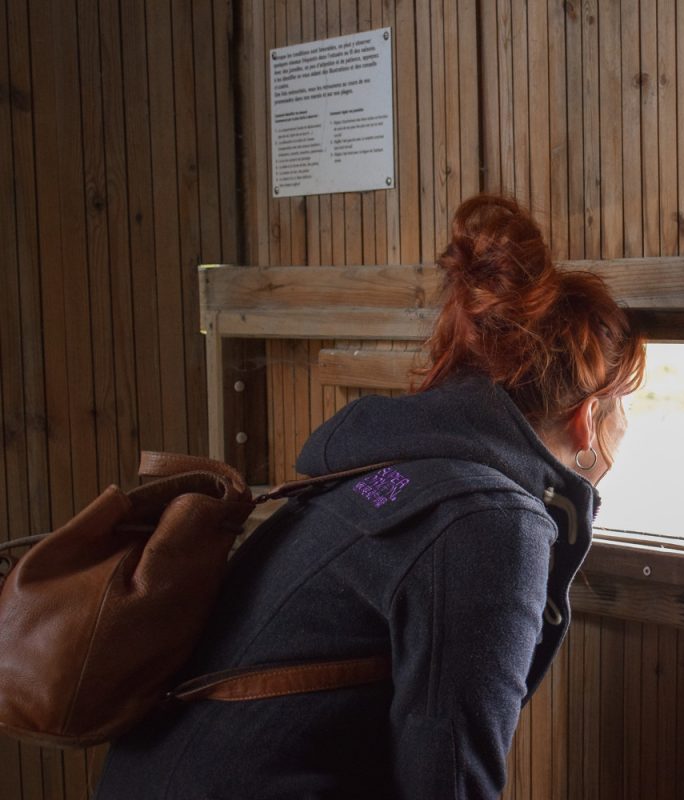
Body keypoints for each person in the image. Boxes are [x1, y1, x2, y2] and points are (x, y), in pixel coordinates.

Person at [95, 194, 646, 799]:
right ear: (589, 418)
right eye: (627, 405)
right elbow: (451, 779)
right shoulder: (491, 524)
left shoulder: (388, 466)